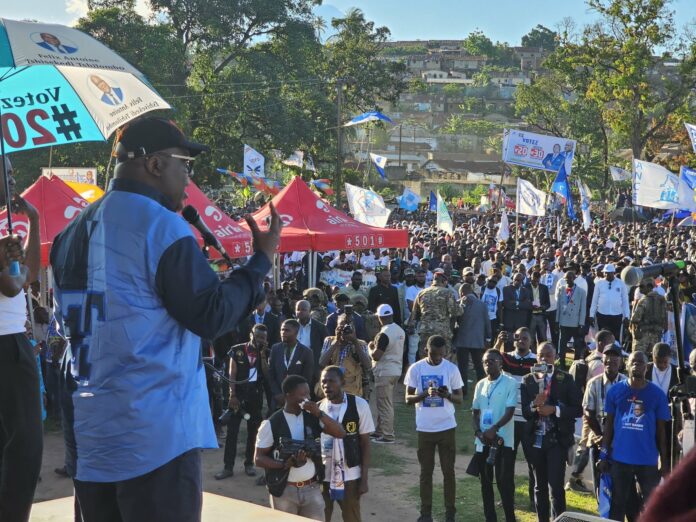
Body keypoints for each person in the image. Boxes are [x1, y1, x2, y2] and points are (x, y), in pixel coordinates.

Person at [49, 118, 281, 521]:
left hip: (88, 436)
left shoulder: (69, 233)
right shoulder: (162, 227)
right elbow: (211, 314)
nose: (188, 179)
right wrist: (260, 263)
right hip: (153, 436)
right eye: (184, 165)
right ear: (155, 165)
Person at [0, 155, 42, 522]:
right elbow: (15, 286)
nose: (14, 180)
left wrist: (35, 221)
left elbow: (26, 276)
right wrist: (13, 265)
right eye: (7, 173)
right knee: (26, 445)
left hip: (11, 344)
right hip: (7, 346)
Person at [254, 375, 346, 520]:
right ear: (288, 395)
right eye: (303, 394)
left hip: (312, 489)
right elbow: (258, 459)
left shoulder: (313, 418)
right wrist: (285, 464)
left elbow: (340, 433)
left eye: (308, 394)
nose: (307, 398)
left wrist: (319, 413)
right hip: (284, 491)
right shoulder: (272, 423)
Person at [599, 351, 671, 521]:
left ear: (647, 367)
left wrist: (665, 461)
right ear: (627, 364)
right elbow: (608, 426)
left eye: (641, 362)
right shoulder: (615, 392)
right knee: (617, 504)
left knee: (651, 505)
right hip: (620, 459)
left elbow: (662, 432)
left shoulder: (657, 394)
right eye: (633, 362)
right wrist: (603, 454)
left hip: (647, 461)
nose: (637, 365)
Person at [405, 335, 464, 522]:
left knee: (449, 472)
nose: (437, 358)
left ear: (445, 352)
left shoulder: (451, 369)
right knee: (425, 473)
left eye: (441, 354)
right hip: (425, 428)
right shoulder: (416, 368)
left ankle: (450, 513)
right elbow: (407, 399)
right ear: (425, 351)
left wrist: (447, 395)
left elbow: (460, 399)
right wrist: (423, 394)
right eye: (433, 354)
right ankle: (426, 513)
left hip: (446, 427)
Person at [521, 342, 582, 522]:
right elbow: (525, 413)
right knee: (539, 487)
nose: (544, 359)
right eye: (541, 355)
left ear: (555, 357)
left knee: (555, 486)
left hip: (557, 439)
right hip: (535, 439)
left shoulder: (565, 378)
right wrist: (534, 404)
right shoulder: (528, 380)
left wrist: (555, 410)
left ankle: (559, 519)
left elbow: (578, 409)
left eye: (548, 355)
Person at [566, 343, 626, 494]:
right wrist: (600, 436)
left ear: (621, 361)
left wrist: (614, 436)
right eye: (607, 355)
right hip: (598, 440)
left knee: (620, 483)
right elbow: (588, 413)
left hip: (620, 440)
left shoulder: (626, 383)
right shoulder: (594, 383)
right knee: (600, 481)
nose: (610, 360)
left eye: (615, 356)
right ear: (602, 358)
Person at [318, 366, 374, 522]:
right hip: (324, 474)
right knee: (321, 516)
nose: (326, 385)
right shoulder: (317, 408)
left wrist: (364, 479)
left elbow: (365, 443)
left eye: (331, 381)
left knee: (352, 517)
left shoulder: (359, 405)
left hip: (350, 475)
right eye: (323, 382)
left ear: (342, 382)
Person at [215, 323, 269, 480]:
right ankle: (228, 467)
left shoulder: (265, 352)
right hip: (237, 398)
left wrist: (263, 354)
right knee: (232, 433)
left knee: (253, 433)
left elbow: (266, 374)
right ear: (251, 334)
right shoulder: (238, 350)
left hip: (255, 398)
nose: (259, 340)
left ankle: (249, 464)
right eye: (257, 336)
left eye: (263, 338)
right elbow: (232, 373)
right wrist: (232, 395)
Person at [470, 349, 518, 522]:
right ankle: (490, 518)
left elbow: (510, 410)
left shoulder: (510, 383)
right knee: (485, 483)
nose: (487, 364)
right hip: (483, 441)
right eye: (484, 361)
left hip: (502, 440)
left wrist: (494, 428)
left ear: (500, 362)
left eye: (491, 361)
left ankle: (510, 518)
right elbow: (475, 412)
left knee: (503, 483)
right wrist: (478, 432)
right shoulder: (480, 384)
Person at [495, 328, 537, 510]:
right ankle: (507, 499)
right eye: (518, 337)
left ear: (531, 341)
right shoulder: (506, 358)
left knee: (533, 464)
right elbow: (491, 359)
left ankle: (534, 500)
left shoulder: (537, 360)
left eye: (525, 338)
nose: (521, 341)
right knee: (507, 463)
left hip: (529, 420)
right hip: (509, 420)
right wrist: (498, 342)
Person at [369, 304, 405, 444]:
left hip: (384, 371)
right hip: (396, 370)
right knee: (384, 402)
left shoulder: (383, 333)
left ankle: (387, 435)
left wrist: (370, 348)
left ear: (380, 317)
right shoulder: (399, 330)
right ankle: (379, 431)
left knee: (384, 404)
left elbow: (376, 356)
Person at [408, 268, 461, 357]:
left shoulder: (421, 293)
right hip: (442, 331)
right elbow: (455, 312)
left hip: (425, 330)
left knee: (425, 356)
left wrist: (411, 326)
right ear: (444, 281)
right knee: (443, 357)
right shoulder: (448, 293)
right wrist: (461, 305)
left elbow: (413, 314)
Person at [319, 314, 372, 397]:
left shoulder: (361, 344)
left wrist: (355, 342)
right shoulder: (329, 340)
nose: (345, 330)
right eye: (342, 326)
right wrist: (336, 341)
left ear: (353, 329)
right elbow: (322, 363)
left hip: (352, 388)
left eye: (348, 327)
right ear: (337, 327)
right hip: (332, 386)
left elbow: (368, 366)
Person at [454, 282, 492, 396]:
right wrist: (488, 338)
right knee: (479, 367)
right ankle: (482, 389)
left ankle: (463, 391)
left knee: (462, 368)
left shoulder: (459, 303)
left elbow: (455, 321)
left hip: (462, 340)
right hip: (477, 340)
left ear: (461, 292)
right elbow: (487, 322)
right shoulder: (482, 305)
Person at [268, 319, 314, 410]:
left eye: (287, 330)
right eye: (282, 330)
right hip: (277, 399)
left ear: (296, 332)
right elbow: (271, 374)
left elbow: (307, 378)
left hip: (298, 399)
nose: (283, 333)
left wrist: (294, 396)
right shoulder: (275, 348)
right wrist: (277, 394)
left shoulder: (306, 352)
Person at [589, 264, 630, 342]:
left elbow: (625, 301)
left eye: (609, 272)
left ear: (613, 273)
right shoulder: (599, 283)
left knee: (616, 337)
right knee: (602, 336)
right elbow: (594, 300)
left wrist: (627, 316)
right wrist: (591, 315)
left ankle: (615, 353)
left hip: (617, 315)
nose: (607, 274)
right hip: (602, 315)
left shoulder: (621, 283)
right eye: (605, 272)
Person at [555, 270, 587, 368]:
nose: (567, 280)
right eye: (566, 278)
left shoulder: (581, 291)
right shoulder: (561, 289)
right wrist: (557, 321)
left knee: (577, 345)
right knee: (562, 344)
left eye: (569, 278)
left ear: (574, 278)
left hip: (575, 322)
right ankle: (562, 363)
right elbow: (558, 306)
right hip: (564, 321)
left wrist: (581, 323)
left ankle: (575, 364)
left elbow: (583, 309)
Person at [295, 300, 328, 391]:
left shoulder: (319, 328)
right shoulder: (291, 326)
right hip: (295, 367)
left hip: (313, 368)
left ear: (309, 311)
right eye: (298, 309)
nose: (300, 312)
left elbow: (326, 348)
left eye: (303, 309)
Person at [630, 277, 668, 355]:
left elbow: (635, 318)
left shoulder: (644, 300)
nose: (639, 289)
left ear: (650, 287)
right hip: (656, 335)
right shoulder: (662, 299)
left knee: (638, 356)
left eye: (642, 286)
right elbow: (665, 317)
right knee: (654, 357)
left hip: (642, 335)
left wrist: (633, 331)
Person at [526, 270, 550, 345]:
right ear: (530, 278)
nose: (535, 282)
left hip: (541, 315)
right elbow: (524, 301)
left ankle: (542, 353)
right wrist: (530, 306)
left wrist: (542, 307)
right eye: (534, 280)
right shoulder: (525, 287)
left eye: (537, 281)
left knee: (543, 338)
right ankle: (533, 355)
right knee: (531, 338)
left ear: (540, 279)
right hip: (531, 315)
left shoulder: (544, 288)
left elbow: (548, 304)